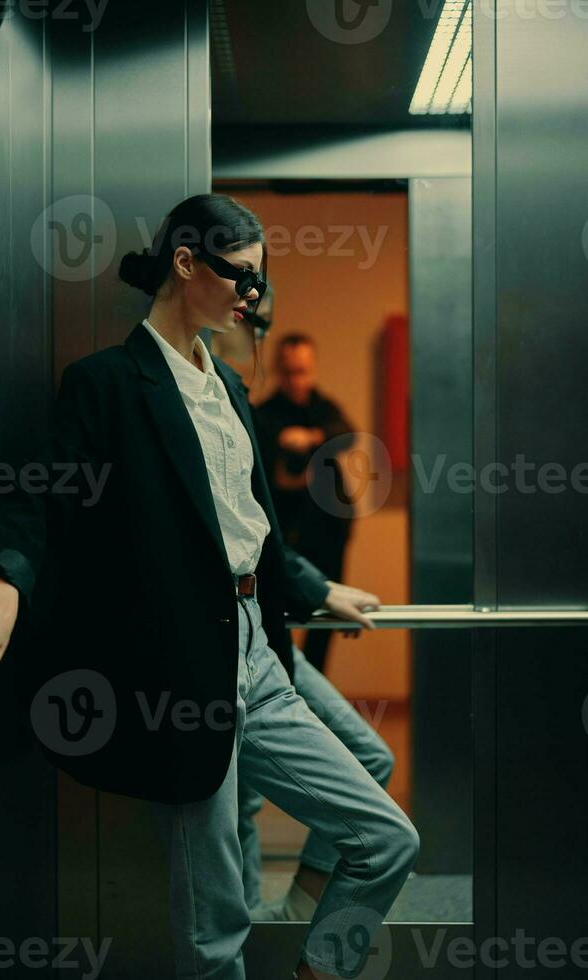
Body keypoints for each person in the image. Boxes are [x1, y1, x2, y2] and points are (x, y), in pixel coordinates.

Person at [0, 193, 419, 980]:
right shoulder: (107, 384)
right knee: (215, 927)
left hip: (258, 652)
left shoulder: (229, 388)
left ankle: (319, 965)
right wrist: (2, 596)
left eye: (258, 284)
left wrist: (316, 585)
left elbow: (250, 523)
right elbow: (39, 501)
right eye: (241, 279)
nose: (251, 298)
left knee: (388, 838)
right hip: (179, 673)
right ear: (187, 264)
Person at [212, 290, 399, 924]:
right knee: (236, 801)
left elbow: (344, 439)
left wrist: (319, 587)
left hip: (288, 589)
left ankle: (292, 914)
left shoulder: (272, 402)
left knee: (368, 760)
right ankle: (257, 925)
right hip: (245, 614)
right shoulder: (251, 409)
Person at [255, 334, 356, 674]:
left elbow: (349, 432)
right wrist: (280, 439)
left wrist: (313, 437)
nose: (297, 380)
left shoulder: (322, 409)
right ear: (278, 372)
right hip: (284, 532)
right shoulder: (265, 414)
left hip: (327, 528)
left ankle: (315, 688)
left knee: (327, 611)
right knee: (276, 613)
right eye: (290, 372)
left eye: (303, 371)